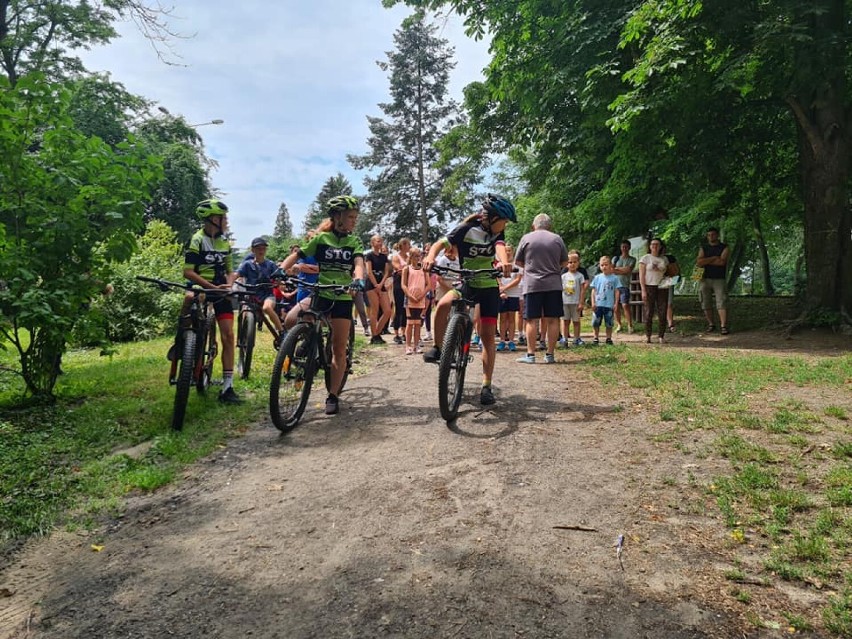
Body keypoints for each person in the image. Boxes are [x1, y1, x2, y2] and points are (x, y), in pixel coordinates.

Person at [422, 194, 516, 406]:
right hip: (467, 284)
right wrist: (430, 257)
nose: (505, 225)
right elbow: (439, 244)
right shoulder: (466, 228)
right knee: (444, 305)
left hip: (489, 289)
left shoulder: (497, 232)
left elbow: (500, 248)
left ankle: (486, 385)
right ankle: (438, 348)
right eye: (504, 220)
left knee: (487, 336)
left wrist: (504, 262)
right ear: (491, 218)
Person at [279, 195, 365, 416]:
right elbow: (297, 255)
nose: (354, 221)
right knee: (291, 319)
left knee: (338, 348)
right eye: (351, 217)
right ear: (338, 217)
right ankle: (307, 342)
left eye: (356, 217)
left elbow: (358, 263)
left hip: (342, 297)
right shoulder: (321, 239)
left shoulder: (354, 242)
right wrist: (281, 269)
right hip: (321, 293)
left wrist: (358, 279)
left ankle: (333, 395)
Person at [179, 199, 241, 403]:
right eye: (224, 218)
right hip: (201, 285)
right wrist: (210, 286)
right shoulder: (197, 239)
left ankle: (227, 386)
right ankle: (181, 343)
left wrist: (229, 284)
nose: (227, 221)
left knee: (229, 335)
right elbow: (188, 272)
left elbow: (231, 271)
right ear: (214, 219)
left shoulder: (225, 242)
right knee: (188, 298)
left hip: (220, 289)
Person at [513, 213, 569, 365]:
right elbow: (565, 262)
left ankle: (530, 355)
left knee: (531, 320)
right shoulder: (557, 239)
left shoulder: (526, 238)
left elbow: (518, 262)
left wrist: (532, 268)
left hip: (532, 285)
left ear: (533, 226)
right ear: (549, 226)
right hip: (553, 284)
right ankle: (550, 354)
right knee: (553, 319)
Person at [236, 237, 283, 335]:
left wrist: (278, 281)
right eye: (258, 248)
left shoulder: (271, 264)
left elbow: (279, 277)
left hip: (267, 294)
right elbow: (236, 275)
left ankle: (282, 332)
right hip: (251, 295)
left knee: (267, 308)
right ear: (252, 250)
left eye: (263, 248)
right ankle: (244, 336)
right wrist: (230, 282)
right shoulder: (247, 265)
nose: (261, 251)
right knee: (244, 312)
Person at [696, 226, 730, 334]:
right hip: (704, 278)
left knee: (721, 301)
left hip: (719, 279)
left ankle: (723, 326)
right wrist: (714, 258)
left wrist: (706, 260)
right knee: (705, 302)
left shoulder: (724, 247)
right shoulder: (703, 247)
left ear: (717, 235)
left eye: (713, 234)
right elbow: (699, 262)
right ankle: (711, 324)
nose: (711, 237)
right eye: (709, 235)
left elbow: (722, 262)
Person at [401, 247, 431, 355]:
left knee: (418, 323)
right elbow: (403, 285)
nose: (418, 258)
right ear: (411, 257)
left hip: (420, 299)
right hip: (409, 299)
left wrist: (422, 295)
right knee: (409, 323)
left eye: (419, 256)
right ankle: (408, 345)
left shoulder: (424, 269)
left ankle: (416, 345)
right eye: (416, 256)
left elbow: (428, 285)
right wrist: (409, 295)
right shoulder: (406, 269)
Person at [639, 238, 669, 344]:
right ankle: (648, 335)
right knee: (648, 312)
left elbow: (667, 273)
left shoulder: (664, 259)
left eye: (657, 244)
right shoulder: (645, 258)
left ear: (660, 246)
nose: (654, 246)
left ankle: (661, 335)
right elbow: (641, 275)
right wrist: (643, 290)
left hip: (662, 287)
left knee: (663, 311)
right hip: (649, 286)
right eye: (652, 244)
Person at [365, 235, 392, 344]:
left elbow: (386, 272)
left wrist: (380, 284)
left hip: (381, 283)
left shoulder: (383, 256)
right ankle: (374, 335)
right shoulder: (369, 255)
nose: (380, 243)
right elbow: (369, 271)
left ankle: (377, 332)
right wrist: (376, 285)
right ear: (372, 243)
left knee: (387, 311)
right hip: (371, 284)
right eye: (378, 241)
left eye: (381, 241)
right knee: (374, 310)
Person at [497, 244, 522, 352]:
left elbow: (517, 280)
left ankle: (511, 341)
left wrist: (505, 287)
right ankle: (502, 340)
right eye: (505, 250)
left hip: (513, 294)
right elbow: (496, 278)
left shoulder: (517, 265)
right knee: (502, 318)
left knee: (512, 318)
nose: (507, 253)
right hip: (502, 294)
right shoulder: (499, 265)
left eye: (509, 251)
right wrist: (501, 288)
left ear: (513, 252)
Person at [589, 256, 619, 345]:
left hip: (609, 304)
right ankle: (596, 338)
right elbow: (593, 290)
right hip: (598, 304)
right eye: (602, 265)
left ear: (610, 265)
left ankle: (608, 338)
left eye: (606, 265)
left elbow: (617, 291)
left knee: (609, 322)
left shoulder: (614, 278)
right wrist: (593, 302)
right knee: (595, 322)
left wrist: (616, 303)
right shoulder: (597, 278)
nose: (604, 267)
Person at [561, 251, 587, 346]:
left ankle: (576, 338)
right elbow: (560, 289)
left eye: (574, 262)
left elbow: (582, 290)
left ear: (578, 263)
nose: (572, 264)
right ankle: (565, 339)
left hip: (576, 302)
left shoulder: (580, 276)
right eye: (570, 262)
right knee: (565, 321)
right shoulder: (563, 276)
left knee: (576, 321)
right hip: (565, 302)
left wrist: (581, 302)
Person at [612, 240, 636, 334]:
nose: (624, 248)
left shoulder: (632, 259)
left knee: (625, 305)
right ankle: (619, 325)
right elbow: (611, 269)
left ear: (629, 248)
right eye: (623, 247)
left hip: (625, 285)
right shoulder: (616, 259)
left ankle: (630, 325)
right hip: (615, 285)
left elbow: (628, 270)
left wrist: (617, 269)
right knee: (616, 307)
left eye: (626, 247)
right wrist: (621, 270)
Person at [391, 238, 411, 345]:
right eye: (408, 244)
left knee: (405, 309)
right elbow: (398, 269)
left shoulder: (409, 257)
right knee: (398, 308)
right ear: (403, 245)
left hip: (408, 284)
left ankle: (404, 332)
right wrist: (407, 268)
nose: (409, 246)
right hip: (399, 284)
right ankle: (396, 333)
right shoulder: (396, 257)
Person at [659, 240, 680, 332]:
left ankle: (670, 323)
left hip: (668, 281)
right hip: (655, 282)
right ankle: (662, 323)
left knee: (669, 303)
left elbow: (676, 271)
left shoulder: (670, 258)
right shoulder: (651, 258)